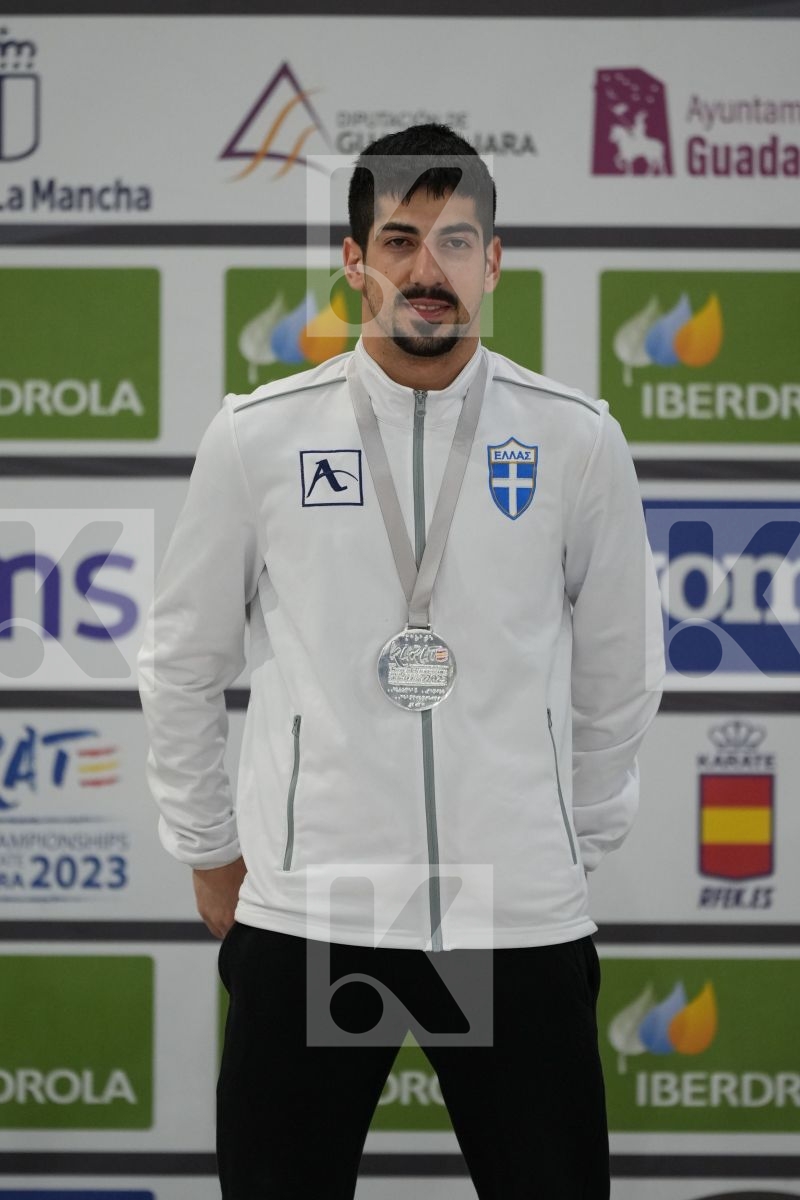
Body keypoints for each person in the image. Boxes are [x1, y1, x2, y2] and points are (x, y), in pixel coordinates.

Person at [138, 123, 664, 1199]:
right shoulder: (258, 437)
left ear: (493, 261)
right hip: (318, 909)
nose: (429, 270)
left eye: (457, 241)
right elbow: (183, 661)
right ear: (352, 265)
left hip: (510, 917)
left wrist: (563, 839)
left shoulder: (575, 440)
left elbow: (619, 666)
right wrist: (209, 848)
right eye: (399, 240)